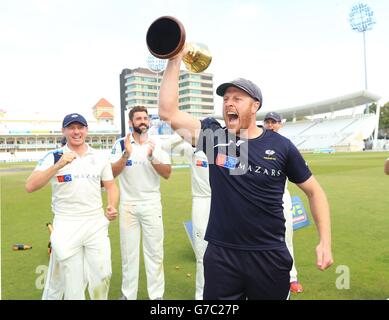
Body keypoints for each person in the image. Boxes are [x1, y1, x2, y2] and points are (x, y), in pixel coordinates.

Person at [158, 47, 333, 300]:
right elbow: (167, 112)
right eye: (226, 98)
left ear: (255, 106)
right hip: (221, 256)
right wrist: (174, 58)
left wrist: (325, 241)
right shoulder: (213, 138)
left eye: (237, 98)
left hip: (269, 255)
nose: (229, 102)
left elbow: (315, 192)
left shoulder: (281, 146)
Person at [26, 113, 119, 300]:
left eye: (80, 127)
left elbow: (111, 185)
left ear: (86, 130)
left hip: (95, 223)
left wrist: (111, 205)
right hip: (66, 223)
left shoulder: (100, 157)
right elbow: (30, 186)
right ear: (64, 131)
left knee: (103, 274)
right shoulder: (53, 156)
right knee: (73, 283)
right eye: (71, 128)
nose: (76, 132)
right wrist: (58, 165)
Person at [110, 106, 171, 300]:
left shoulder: (157, 144)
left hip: (151, 204)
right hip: (128, 206)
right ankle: (128, 295)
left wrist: (152, 157)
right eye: (138, 118)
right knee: (129, 255)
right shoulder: (121, 144)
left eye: (145, 118)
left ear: (149, 122)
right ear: (131, 123)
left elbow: (167, 173)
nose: (143, 121)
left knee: (154, 253)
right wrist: (126, 154)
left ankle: (156, 296)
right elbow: (110, 174)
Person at [162, 133, 211, 300]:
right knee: (202, 255)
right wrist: (182, 132)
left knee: (229, 252)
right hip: (201, 203)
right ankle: (201, 296)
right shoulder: (191, 150)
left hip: (223, 203)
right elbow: (165, 147)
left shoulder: (225, 150)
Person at [263, 111, 303, 294]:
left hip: (281, 198)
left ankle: (292, 278)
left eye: (274, 122)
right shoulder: (255, 143)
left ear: (280, 125)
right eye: (267, 122)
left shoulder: (286, 146)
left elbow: (301, 175)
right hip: (258, 200)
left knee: (286, 239)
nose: (270, 125)